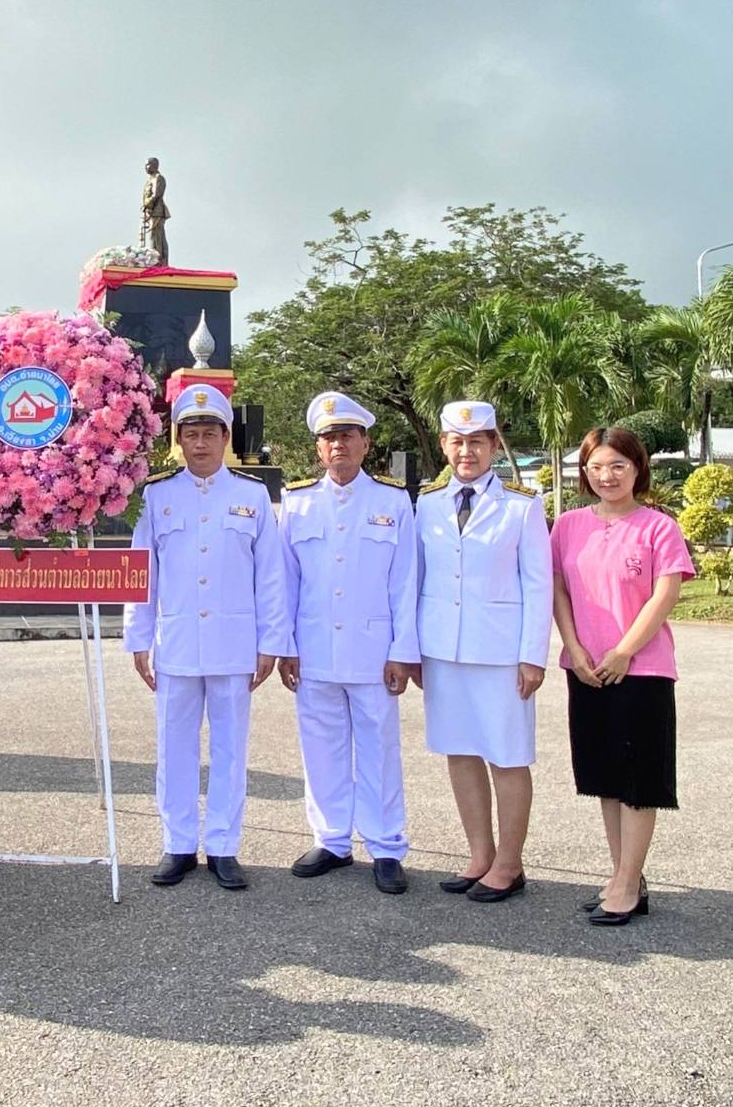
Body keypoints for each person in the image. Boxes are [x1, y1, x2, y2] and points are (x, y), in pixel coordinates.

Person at [124, 384, 290, 891]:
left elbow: (271, 575)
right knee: (173, 747)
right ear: (178, 440)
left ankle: (223, 845)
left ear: (225, 438)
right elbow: (142, 572)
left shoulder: (251, 495)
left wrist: (271, 642)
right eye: (191, 434)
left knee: (230, 750)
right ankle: (177, 843)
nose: (200, 443)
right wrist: (138, 638)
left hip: (234, 643)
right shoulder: (157, 495)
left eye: (209, 433)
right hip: (175, 642)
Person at [550, 426, 694, 926]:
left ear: (637, 469)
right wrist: (573, 648)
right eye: (595, 467)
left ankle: (629, 883)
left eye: (617, 466)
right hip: (585, 668)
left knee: (639, 780)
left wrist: (624, 652)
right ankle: (621, 874)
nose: (606, 476)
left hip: (643, 671)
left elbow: (665, 594)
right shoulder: (567, 525)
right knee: (606, 779)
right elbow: (558, 589)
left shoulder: (659, 527)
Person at [277, 391, 419, 895]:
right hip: (314, 648)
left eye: (347, 435)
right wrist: (286, 645)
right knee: (321, 747)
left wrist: (403, 650)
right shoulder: (297, 503)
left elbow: (405, 581)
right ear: (318, 448)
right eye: (329, 437)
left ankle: (386, 846)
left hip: (374, 650)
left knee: (379, 749)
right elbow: (285, 582)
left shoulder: (392, 501)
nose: (338, 444)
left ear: (365, 443)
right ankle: (332, 839)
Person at [414, 401, 552, 902]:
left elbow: (538, 583)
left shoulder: (522, 505)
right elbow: (418, 579)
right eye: (457, 441)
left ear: (494, 445)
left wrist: (532, 655)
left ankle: (510, 864)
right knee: (461, 751)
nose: (466, 451)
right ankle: (479, 854)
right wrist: (414, 650)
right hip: (443, 649)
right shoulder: (428, 503)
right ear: (444, 444)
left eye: (477, 441)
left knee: (508, 756)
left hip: (500, 653)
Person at [141, 156, 170, 264]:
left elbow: (157, 195)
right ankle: (156, 260)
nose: (146, 167)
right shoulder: (150, 180)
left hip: (157, 211)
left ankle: (158, 260)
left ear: (155, 165)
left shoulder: (159, 178)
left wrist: (147, 205)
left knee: (157, 237)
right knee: (153, 236)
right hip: (151, 212)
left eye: (148, 165)